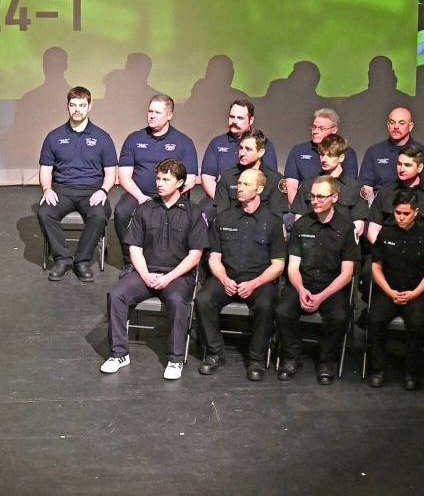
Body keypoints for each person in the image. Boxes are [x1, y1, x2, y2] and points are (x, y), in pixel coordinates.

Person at [102, 159, 208, 380]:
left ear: (180, 183)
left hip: (177, 275)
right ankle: (119, 354)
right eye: (158, 178)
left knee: (178, 301)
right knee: (117, 294)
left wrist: (168, 278)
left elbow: (195, 255)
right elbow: (135, 248)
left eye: (166, 179)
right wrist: (145, 274)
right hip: (146, 271)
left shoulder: (193, 213)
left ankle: (175, 359)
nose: (159, 183)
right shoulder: (145, 209)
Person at [196, 168, 286, 381]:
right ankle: (215, 353)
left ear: (259, 189)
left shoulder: (272, 222)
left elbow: (278, 265)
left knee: (266, 304)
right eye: (239, 183)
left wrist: (254, 283)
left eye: (246, 184)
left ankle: (256, 359)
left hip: (259, 280)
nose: (240, 188)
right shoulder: (223, 218)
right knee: (203, 299)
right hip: (227, 277)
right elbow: (214, 258)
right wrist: (224, 279)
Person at [275, 175, 361, 385]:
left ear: (335, 197)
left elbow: (347, 273)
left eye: (321, 197)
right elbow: (293, 266)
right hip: (303, 281)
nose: (315, 201)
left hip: (332, 285)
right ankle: (292, 357)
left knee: (339, 317)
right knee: (282, 311)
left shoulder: (346, 228)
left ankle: (326, 360)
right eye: (312, 196)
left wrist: (322, 296)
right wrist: (301, 289)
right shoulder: (301, 225)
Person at [36, 87, 117, 282]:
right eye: (73, 105)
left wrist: (103, 190)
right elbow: (45, 170)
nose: (77, 109)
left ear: (89, 106)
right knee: (45, 213)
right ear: (67, 106)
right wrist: (47, 189)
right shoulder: (54, 137)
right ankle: (63, 259)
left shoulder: (102, 137)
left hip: (92, 191)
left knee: (99, 215)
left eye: (82, 105)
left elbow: (111, 173)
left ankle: (82, 261)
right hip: (62, 190)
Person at [365, 190, 424, 391]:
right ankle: (377, 369)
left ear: (416, 212)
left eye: (406, 213)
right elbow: (376, 266)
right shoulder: (386, 233)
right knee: (375, 319)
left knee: (417, 323)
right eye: (398, 213)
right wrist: (388, 290)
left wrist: (415, 293)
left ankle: (411, 372)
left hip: (416, 292)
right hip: (388, 289)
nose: (401, 217)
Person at [115, 95, 198, 270]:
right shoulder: (134, 139)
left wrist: (169, 196)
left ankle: (171, 261)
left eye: (157, 112)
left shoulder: (183, 142)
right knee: (121, 212)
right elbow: (123, 176)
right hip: (139, 194)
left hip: (172, 196)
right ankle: (130, 261)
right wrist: (141, 198)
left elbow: (190, 180)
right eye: (150, 111)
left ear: (169, 115)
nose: (152, 116)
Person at [366, 146, 424, 248]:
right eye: (399, 164)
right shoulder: (385, 191)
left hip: (422, 250)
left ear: (420, 168)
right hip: (388, 249)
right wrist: (384, 250)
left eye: (407, 165)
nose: (401, 169)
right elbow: (373, 229)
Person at [290, 134, 368, 238]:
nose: (324, 159)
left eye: (330, 155)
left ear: (341, 157)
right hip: (312, 241)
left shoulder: (354, 187)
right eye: (322, 154)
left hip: (342, 242)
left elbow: (358, 226)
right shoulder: (309, 184)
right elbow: (299, 220)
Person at [199, 99, 279, 201]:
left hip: (255, 202)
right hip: (221, 200)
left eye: (240, 118)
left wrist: (249, 203)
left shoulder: (265, 145)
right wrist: (223, 201)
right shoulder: (217, 143)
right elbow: (207, 178)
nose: (234, 121)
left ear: (251, 120)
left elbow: (269, 180)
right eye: (231, 117)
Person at [283, 108, 359, 205]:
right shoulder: (298, 151)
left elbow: (349, 187)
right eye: (314, 127)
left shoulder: (348, 153)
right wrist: (299, 209)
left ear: (334, 130)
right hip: (305, 205)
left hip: (337, 206)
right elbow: (291, 186)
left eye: (321, 128)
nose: (315, 131)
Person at [358, 107, 424, 201]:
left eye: (401, 123)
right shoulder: (374, 152)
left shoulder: (423, 152)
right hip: (381, 205)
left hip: (413, 205)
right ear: (388, 125)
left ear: (410, 126)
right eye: (392, 123)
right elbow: (366, 186)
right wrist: (373, 205)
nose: (396, 127)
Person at [211, 130, 287, 219]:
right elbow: (221, 214)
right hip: (233, 224)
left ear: (261, 152)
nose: (242, 153)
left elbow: (276, 218)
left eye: (248, 149)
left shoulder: (275, 179)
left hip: (263, 225)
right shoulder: (227, 176)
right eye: (241, 148)